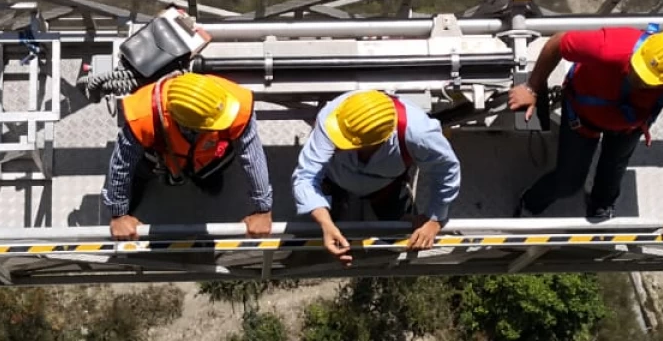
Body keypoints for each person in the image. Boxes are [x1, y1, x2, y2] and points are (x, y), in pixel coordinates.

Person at [507, 26, 663, 244]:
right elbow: (558, 43)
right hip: (582, 115)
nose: (636, 76)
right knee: (567, 182)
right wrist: (533, 87)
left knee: (612, 172)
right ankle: (531, 202)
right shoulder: (610, 47)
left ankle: (600, 206)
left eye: (647, 80)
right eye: (638, 69)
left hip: (629, 126)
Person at [293, 90, 462, 266]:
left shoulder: (419, 132)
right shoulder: (333, 118)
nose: (335, 144)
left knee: (401, 241)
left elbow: (446, 170)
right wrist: (325, 224)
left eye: (344, 142)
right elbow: (306, 176)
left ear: (377, 141)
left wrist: (434, 219)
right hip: (335, 179)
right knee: (313, 235)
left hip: (387, 187)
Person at [104, 72, 273, 240]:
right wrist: (119, 214)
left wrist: (263, 209)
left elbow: (252, 156)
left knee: (212, 171)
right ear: (187, 125)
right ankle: (137, 190)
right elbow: (123, 163)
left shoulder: (235, 105)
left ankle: (205, 177)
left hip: (209, 156)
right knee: (139, 170)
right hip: (159, 157)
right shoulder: (142, 117)